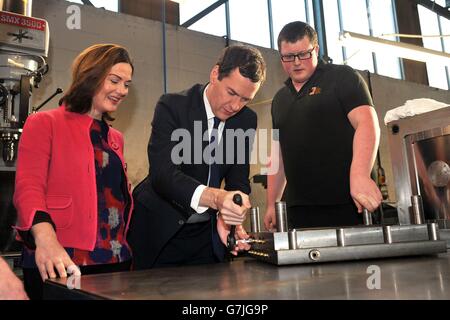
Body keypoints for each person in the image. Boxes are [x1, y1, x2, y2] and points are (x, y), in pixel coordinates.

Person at [128, 45, 266, 269]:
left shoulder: (245, 120)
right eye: (231, 93)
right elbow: (163, 174)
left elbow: (238, 179)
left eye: (245, 100)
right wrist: (218, 199)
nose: (235, 106)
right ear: (215, 74)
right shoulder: (172, 106)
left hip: (206, 236)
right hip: (160, 231)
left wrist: (230, 216)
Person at [13, 44, 134, 299]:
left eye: (127, 84)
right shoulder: (44, 123)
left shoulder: (116, 138)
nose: (122, 90)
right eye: (115, 80)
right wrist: (46, 240)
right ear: (91, 75)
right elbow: (28, 188)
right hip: (61, 258)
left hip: (115, 259)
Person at [264, 21, 382, 230]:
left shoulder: (343, 77)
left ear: (316, 49)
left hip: (350, 205)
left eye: (304, 54)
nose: (297, 62)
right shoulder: (279, 99)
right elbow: (277, 153)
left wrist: (360, 175)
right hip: (299, 212)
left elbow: (367, 123)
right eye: (288, 57)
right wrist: (272, 203)